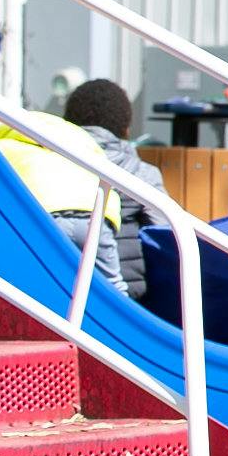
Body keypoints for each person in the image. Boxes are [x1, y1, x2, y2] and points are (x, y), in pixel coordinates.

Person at [63, 78, 165, 299]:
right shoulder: (142, 174)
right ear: (126, 130)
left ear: (68, 122)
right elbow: (166, 234)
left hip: (60, 285)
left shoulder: (53, 159)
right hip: (126, 297)